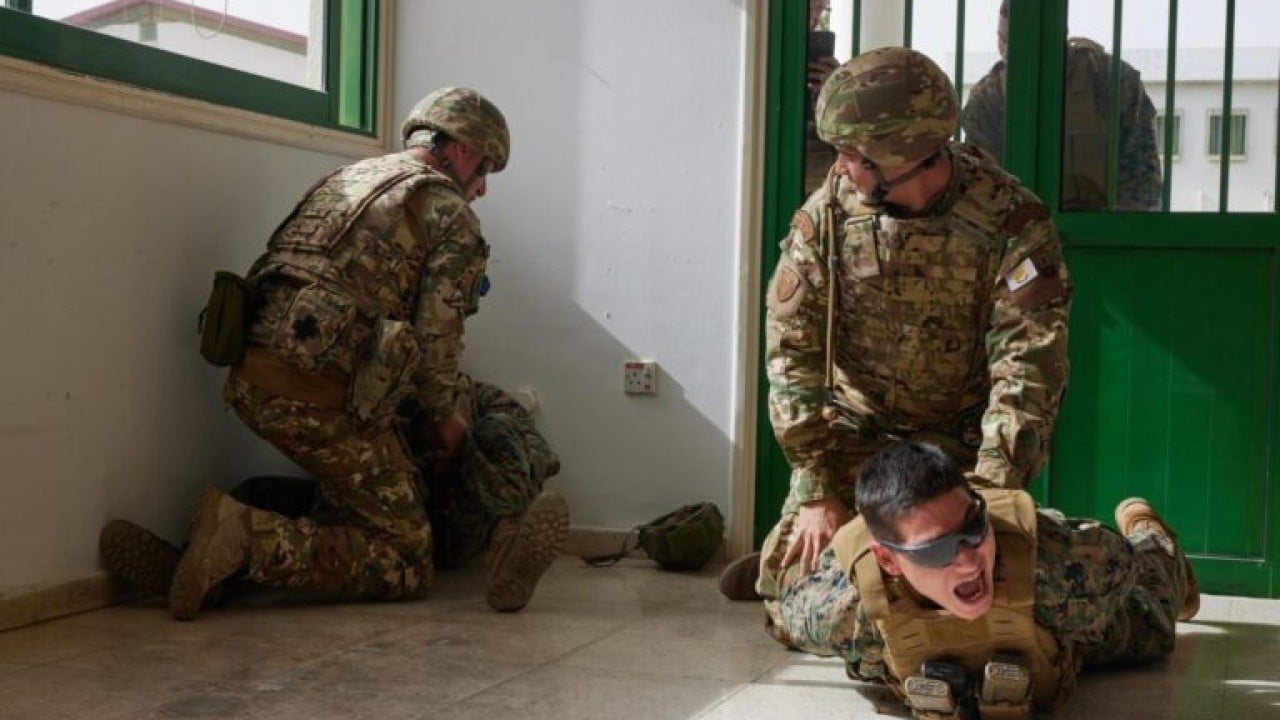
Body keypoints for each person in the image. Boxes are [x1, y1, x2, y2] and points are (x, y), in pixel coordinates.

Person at [105, 87, 570, 620]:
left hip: (253, 381)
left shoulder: (345, 180)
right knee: (407, 557)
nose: (483, 188)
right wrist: (444, 418)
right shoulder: (447, 210)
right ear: (462, 149)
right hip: (321, 397)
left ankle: (215, 547)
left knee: (393, 472)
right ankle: (247, 541)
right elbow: (437, 337)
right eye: (485, 168)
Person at [719, 47, 1071, 601]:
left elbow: (1028, 369)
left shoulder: (1010, 223)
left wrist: (990, 490)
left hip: (959, 447)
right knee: (803, 586)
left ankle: (1152, 560)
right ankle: (784, 562)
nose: (839, 167)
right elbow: (792, 349)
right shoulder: (829, 216)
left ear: (904, 155)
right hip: (858, 438)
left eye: (853, 154)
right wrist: (813, 486)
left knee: (1001, 585)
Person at [764, 440, 1199, 718]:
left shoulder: (1065, 570)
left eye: (974, 528)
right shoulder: (840, 611)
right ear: (890, 562)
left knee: (1153, 623)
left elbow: (1120, 566)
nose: (970, 559)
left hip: (1048, 620)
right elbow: (786, 605)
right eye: (937, 549)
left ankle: (1152, 530)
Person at [100, 373, 563, 612]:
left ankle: (509, 556)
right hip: (384, 508)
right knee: (260, 490)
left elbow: (540, 455)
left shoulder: (484, 403)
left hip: (450, 525)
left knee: (501, 434)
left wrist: (464, 452)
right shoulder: (387, 404)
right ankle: (200, 567)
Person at [961, 0, 1162, 211]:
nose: (1008, 51)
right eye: (1003, 40)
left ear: (1059, 33)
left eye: (1021, 40)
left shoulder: (1108, 79)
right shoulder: (987, 98)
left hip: (1105, 233)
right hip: (1019, 235)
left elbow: (1143, 180)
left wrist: (1113, 231)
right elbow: (979, 188)